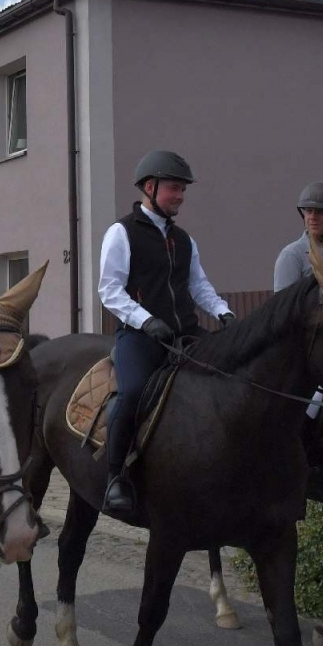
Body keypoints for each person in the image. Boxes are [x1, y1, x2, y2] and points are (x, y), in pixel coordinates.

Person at [96, 150, 235, 519]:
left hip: (184, 333)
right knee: (133, 391)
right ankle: (116, 478)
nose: (180, 197)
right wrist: (145, 320)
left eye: (182, 191)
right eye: (174, 189)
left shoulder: (184, 239)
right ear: (149, 187)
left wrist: (223, 313)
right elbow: (109, 290)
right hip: (140, 337)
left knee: (231, 376)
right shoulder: (121, 232)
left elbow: (198, 286)